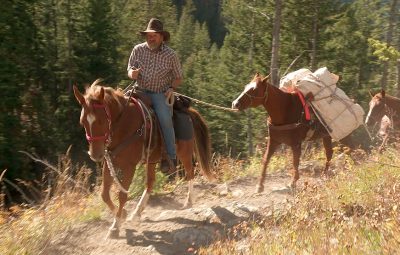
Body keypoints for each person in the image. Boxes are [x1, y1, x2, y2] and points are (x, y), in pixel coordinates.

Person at [127, 18, 183, 173]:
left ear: (162, 37)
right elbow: (129, 70)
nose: (150, 38)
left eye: (154, 35)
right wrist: (133, 73)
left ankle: (170, 157)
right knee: (121, 110)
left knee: (165, 119)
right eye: (148, 35)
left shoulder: (171, 55)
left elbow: (179, 76)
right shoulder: (138, 49)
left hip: (159, 93)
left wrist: (171, 87)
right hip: (140, 90)